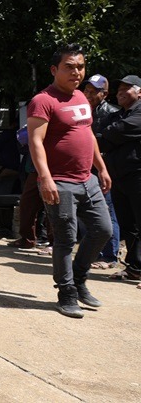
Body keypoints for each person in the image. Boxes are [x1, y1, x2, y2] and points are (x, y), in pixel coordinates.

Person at [27, 44, 112, 318]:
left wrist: (102, 168)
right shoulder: (43, 100)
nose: (76, 72)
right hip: (60, 182)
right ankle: (67, 294)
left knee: (103, 230)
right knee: (65, 239)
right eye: (70, 67)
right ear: (54, 70)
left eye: (80, 67)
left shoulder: (81, 98)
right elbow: (36, 142)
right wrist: (45, 178)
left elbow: (88, 135)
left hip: (87, 179)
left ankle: (78, 278)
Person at [98, 75, 141, 285]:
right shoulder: (118, 115)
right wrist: (110, 135)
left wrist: (110, 134)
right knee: (128, 225)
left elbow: (119, 131)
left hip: (137, 175)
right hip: (119, 177)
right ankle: (135, 267)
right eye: (119, 89)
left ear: (140, 92)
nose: (121, 92)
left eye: (127, 88)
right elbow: (102, 140)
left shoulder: (139, 112)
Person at [83, 74, 121, 269]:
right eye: (86, 90)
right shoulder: (82, 111)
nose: (88, 94)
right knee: (91, 213)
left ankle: (109, 256)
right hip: (85, 169)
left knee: (107, 211)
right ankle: (95, 252)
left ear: (104, 94)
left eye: (93, 91)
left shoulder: (112, 113)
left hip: (103, 169)